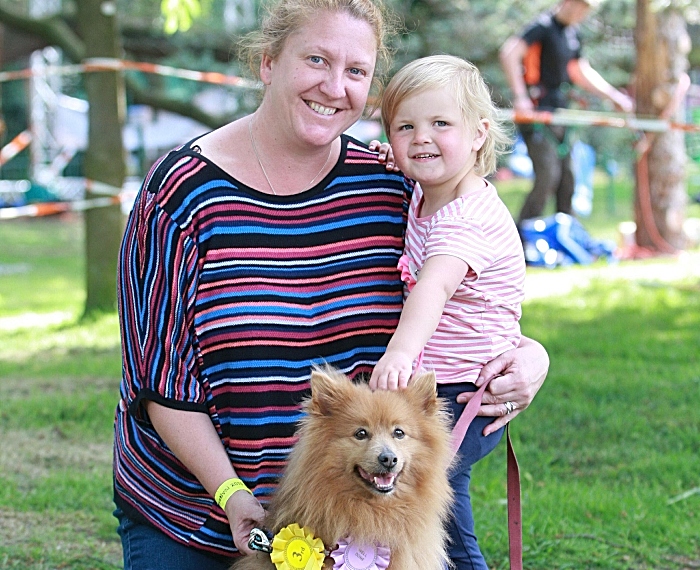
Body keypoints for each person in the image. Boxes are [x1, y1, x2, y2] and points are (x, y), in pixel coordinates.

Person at [113, 1, 550, 569]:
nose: (335, 86)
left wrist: (530, 356)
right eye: (316, 59)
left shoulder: (391, 181)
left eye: (356, 71)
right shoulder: (180, 197)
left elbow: (466, 289)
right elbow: (159, 385)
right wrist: (232, 495)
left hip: (360, 515)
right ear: (268, 62)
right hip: (199, 510)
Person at [370, 55, 524, 570]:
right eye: (405, 127)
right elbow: (412, 159)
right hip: (449, 387)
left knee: (437, 510)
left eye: (440, 124)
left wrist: (401, 351)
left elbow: (433, 288)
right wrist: (389, 156)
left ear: (479, 134)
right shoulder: (430, 190)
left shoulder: (467, 217)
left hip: (466, 394)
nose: (421, 139)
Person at [499, 0, 634, 226]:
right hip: (538, 114)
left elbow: (580, 71)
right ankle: (522, 235)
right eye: (581, 7)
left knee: (567, 179)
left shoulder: (572, 34)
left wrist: (613, 96)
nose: (583, 13)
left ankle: (566, 232)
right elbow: (509, 53)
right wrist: (520, 97)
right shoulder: (541, 27)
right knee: (548, 176)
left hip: (561, 113)